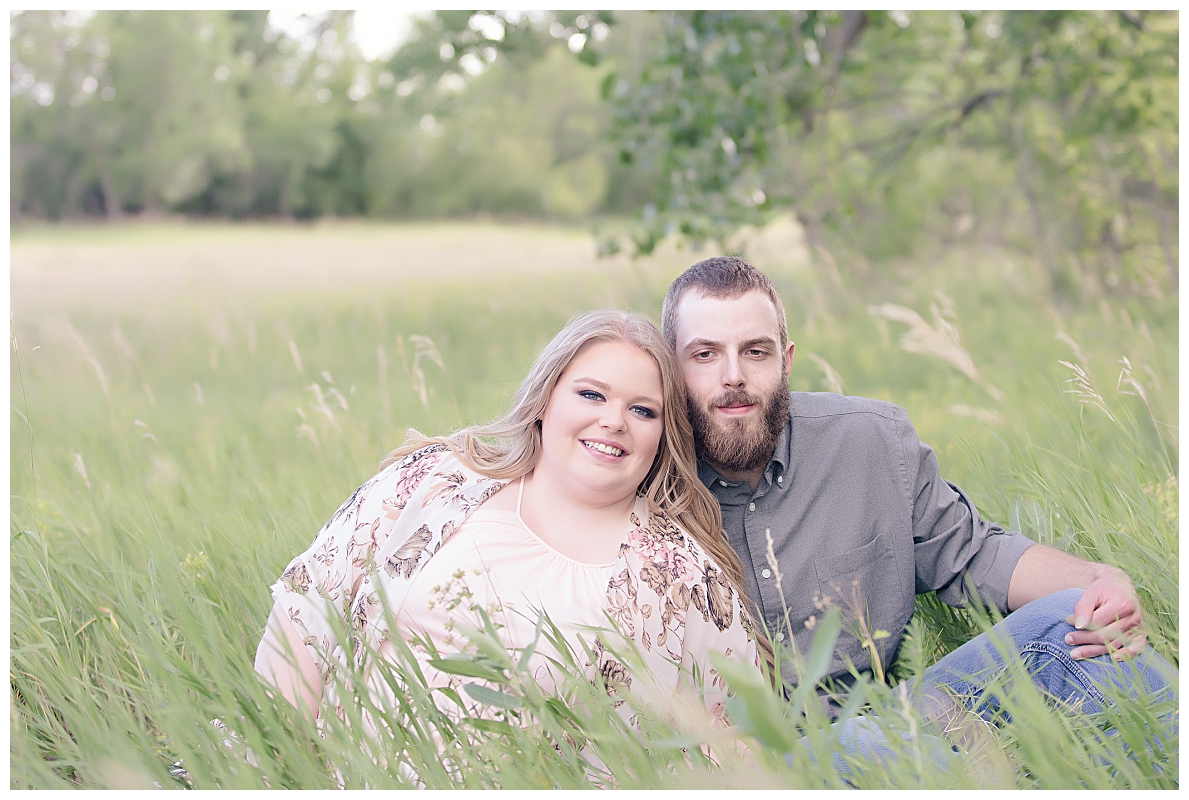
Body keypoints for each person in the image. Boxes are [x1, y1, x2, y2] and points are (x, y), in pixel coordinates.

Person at [660, 255, 1176, 733]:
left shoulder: (870, 443)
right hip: (743, 761)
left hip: (886, 725)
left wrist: (1099, 580)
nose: (734, 376)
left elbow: (974, 554)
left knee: (1073, 624)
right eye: (705, 355)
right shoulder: (644, 484)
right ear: (671, 369)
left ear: (786, 362)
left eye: (755, 352)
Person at [254, 309, 767, 738]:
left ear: (663, 436)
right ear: (545, 400)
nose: (614, 421)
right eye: (591, 395)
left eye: (642, 410)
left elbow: (737, 743)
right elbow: (303, 616)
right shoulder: (433, 483)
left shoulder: (678, 577)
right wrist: (286, 767)